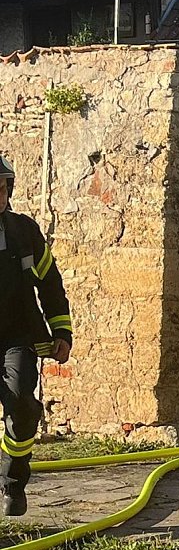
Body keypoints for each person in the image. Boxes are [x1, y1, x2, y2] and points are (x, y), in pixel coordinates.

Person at [0, 156, 72, 516]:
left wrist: (61, 332)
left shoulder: (24, 232)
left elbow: (50, 285)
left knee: (22, 407)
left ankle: (13, 482)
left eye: (0, 187)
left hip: (17, 338)